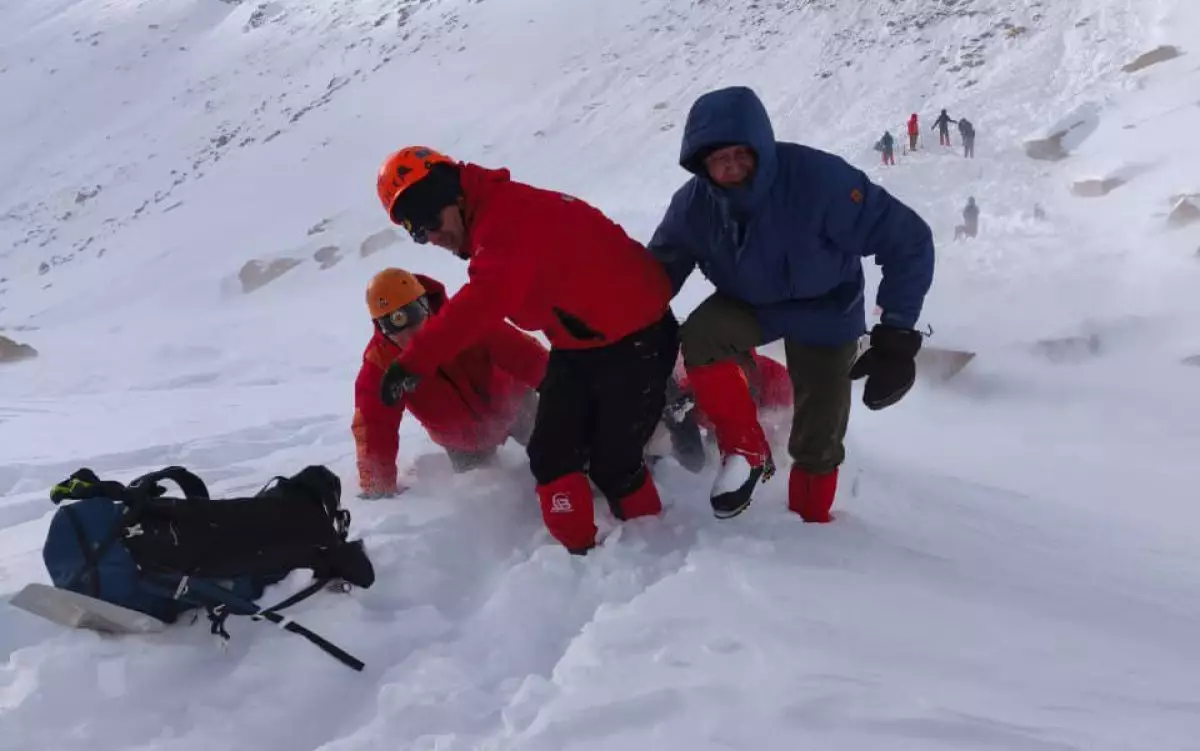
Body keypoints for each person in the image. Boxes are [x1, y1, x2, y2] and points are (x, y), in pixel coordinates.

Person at [648, 86, 935, 522]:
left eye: (740, 154)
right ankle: (745, 451)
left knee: (820, 435)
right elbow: (656, 275)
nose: (731, 166)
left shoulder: (820, 183)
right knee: (702, 334)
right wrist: (617, 327)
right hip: (748, 305)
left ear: (761, 148)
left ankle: (809, 522)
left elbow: (907, 239)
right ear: (700, 164)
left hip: (828, 308)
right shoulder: (693, 207)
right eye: (719, 159)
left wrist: (896, 335)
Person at [373, 147, 678, 554]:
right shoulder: (491, 222)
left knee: (614, 463)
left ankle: (655, 549)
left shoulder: (506, 219)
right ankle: (579, 557)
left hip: (636, 338)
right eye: (417, 232)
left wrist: (414, 361)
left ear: (451, 195)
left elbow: (482, 304)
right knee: (550, 454)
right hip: (581, 345)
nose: (430, 236)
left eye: (429, 220)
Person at [352, 268, 547, 497]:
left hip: (517, 407)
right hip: (461, 441)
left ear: (425, 305)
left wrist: (565, 388)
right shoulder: (380, 363)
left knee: (560, 451)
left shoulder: (463, 321)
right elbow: (374, 426)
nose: (407, 335)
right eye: (390, 326)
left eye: (413, 315)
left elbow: (526, 356)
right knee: (487, 496)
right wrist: (378, 487)